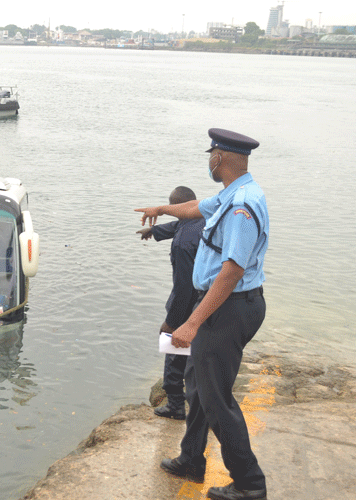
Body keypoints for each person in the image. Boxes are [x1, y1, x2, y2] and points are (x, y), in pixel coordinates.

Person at [136, 129, 269, 500]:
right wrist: (161, 209)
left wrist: (192, 322)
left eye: (210, 154)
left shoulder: (242, 205)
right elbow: (195, 208)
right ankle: (191, 459)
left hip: (227, 309)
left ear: (218, 158)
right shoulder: (231, 194)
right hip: (222, 306)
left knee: (216, 400)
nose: (208, 159)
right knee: (197, 385)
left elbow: (232, 270)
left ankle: (249, 484)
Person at [137, 186, 204, 421]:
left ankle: (175, 404)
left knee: (173, 346)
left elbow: (184, 287)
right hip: (208, 302)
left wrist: (172, 322)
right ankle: (198, 402)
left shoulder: (183, 243)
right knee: (197, 354)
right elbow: (178, 226)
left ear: (175, 207)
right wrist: (154, 232)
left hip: (189, 302)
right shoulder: (202, 219)